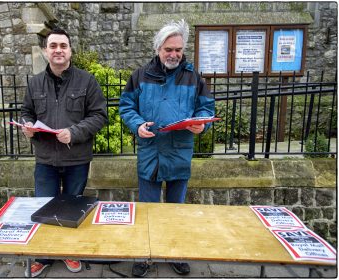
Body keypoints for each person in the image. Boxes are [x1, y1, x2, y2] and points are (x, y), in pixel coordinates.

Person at [119, 19, 215, 277]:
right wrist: (137, 124)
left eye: (178, 50)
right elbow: (126, 107)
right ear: (158, 48)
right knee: (148, 210)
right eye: (168, 49)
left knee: (176, 211)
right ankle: (145, 255)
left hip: (179, 153)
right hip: (150, 153)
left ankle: (175, 253)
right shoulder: (139, 76)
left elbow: (206, 108)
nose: (174, 54)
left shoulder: (194, 77)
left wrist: (201, 125)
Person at [21, 28, 107, 277]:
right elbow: (27, 112)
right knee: (43, 208)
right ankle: (44, 257)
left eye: (63, 45)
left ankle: (69, 250)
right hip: (45, 159)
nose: (58, 50)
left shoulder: (87, 81)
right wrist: (27, 126)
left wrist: (75, 132)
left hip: (76, 158)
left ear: (70, 50)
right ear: (46, 51)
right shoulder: (35, 82)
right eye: (53, 45)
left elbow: (99, 115)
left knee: (71, 209)